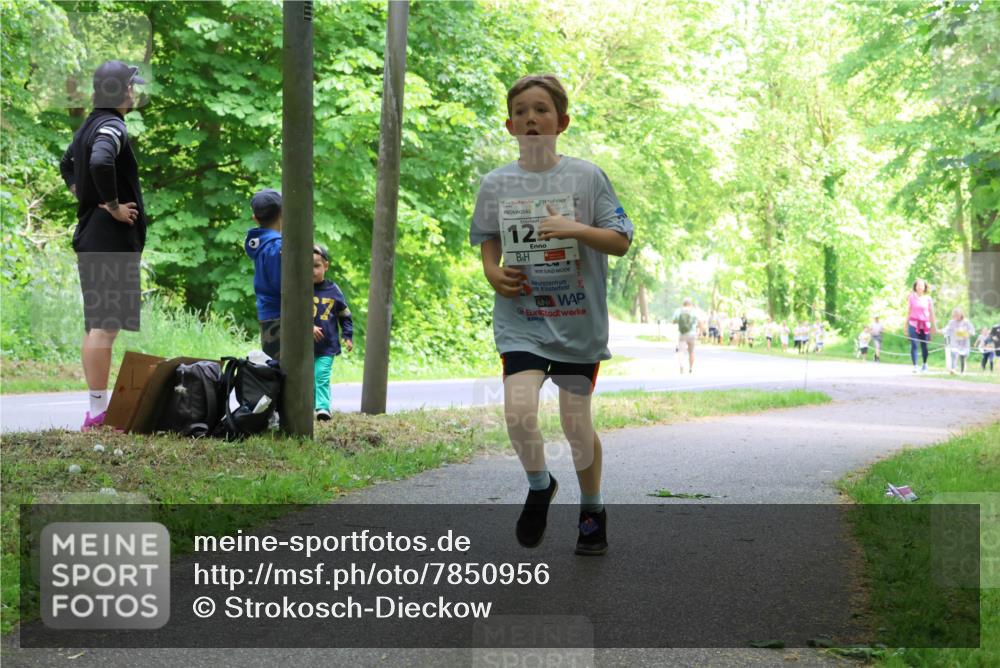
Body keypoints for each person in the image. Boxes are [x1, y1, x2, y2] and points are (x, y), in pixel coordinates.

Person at [470, 74, 633, 556]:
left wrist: (573, 228)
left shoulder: (587, 177)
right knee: (519, 412)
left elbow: (620, 240)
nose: (530, 118)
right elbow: (487, 236)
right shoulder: (496, 183)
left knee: (575, 425)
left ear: (561, 122)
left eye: (541, 110)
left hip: (577, 321)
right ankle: (540, 485)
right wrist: (492, 271)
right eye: (520, 111)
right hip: (522, 318)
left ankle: (592, 510)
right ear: (509, 126)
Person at [59, 60, 148, 431]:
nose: (135, 92)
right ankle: (97, 414)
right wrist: (111, 205)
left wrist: (86, 195)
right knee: (104, 327)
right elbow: (99, 161)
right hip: (108, 239)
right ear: (122, 91)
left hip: (95, 236)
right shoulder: (112, 125)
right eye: (131, 86)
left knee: (98, 325)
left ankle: (96, 410)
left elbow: (67, 164)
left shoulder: (89, 124)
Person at [312, 245, 354, 421]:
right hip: (303, 347)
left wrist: (347, 335)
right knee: (308, 378)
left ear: (326, 266)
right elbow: (293, 313)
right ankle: (310, 405)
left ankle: (323, 408)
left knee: (321, 376)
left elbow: (345, 314)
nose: (312, 271)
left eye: (316, 266)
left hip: (327, 346)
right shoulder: (300, 289)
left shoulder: (333, 290)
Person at [244, 189, 283, 360]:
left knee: (276, 368)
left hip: (268, 316)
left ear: (255, 218)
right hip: (282, 317)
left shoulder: (262, 244)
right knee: (287, 370)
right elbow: (283, 285)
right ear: (283, 213)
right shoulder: (277, 247)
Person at [906, 279, 936, 373]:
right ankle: (915, 365)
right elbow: (908, 311)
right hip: (913, 324)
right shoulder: (911, 297)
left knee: (924, 345)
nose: (919, 287)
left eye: (921, 285)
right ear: (915, 287)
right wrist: (905, 326)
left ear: (924, 287)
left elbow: (931, 313)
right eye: (918, 285)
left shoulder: (928, 298)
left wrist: (934, 326)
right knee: (914, 344)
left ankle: (924, 364)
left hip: (925, 325)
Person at [941, 308, 975, 375]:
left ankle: (962, 371)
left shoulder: (966, 322)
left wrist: (967, 334)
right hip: (955, 342)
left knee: (962, 357)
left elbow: (972, 331)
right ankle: (953, 369)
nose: (956, 317)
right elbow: (947, 329)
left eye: (957, 315)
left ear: (961, 314)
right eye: (954, 315)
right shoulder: (951, 322)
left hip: (964, 343)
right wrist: (941, 331)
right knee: (954, 354)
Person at [672, 298, 699, 374]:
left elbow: (673, 321)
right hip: (692, 334)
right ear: (690, 304)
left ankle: (681, 366)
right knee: (691, 352)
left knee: (681, 351)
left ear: (683, 304)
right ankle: (690, 368)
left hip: (682, 333)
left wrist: (680, 322)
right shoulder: (694, 311)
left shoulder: (678, 311)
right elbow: (699, 322)